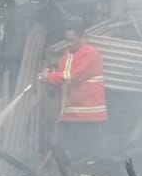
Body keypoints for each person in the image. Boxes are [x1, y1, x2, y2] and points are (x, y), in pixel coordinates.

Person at [40, 26, 107, 162]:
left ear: (82, 38)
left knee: (88, 153)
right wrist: (50, 75)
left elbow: (74, 75)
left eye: (72, 40)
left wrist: (51, 77)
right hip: (72, 113)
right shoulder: (67, 56)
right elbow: (62, 75)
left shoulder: (91, 54)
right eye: (67, 40)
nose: (69, 44)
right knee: (73, 151)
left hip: (89, 112)